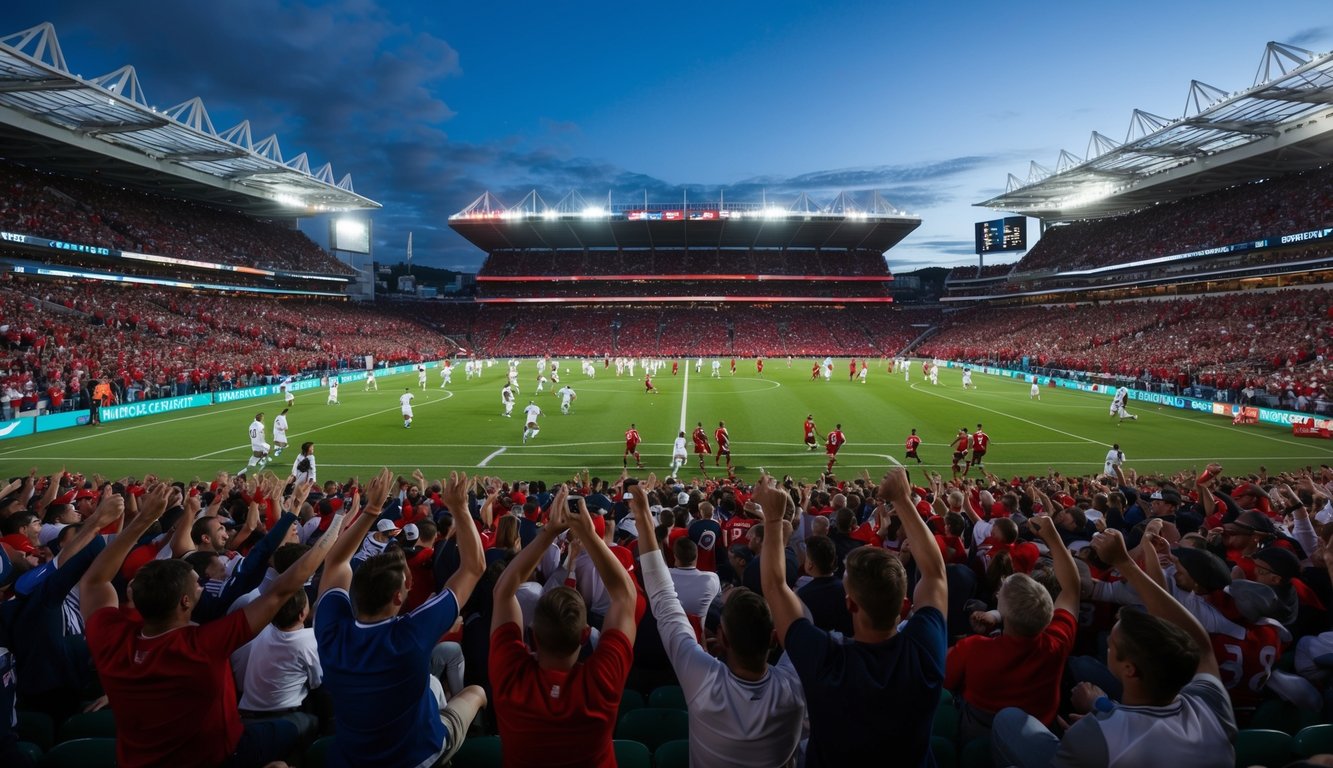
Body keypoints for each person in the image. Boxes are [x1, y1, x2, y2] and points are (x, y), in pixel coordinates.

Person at [82, 481, 336, 768]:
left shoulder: (110, 639)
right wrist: (336, 530)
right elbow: (281, 590)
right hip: (221, 756)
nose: (202, 586)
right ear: (185, 603)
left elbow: (94, 581)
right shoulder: (203, 645)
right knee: (302, 726)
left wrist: (143, 519)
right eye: (196, 585)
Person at [991, 528, 1235, 768]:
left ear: (1128, 669)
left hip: (1093, 745)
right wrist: (1103, 707)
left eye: (1111, 645)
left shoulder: (1099, 736)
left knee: (1007, 719)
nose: (1107, 642)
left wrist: (1096, 734)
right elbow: (1200, 644)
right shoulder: (1212, 705)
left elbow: (1198, 642)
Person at [757, 467, 947, 767]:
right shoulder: (925, 650)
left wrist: (771, 519)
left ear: (851, 604)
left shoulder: (826, 661)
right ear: (902, 604)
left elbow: (774, 587)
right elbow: (936, 573)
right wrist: (904, 500)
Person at [317, 469, 488, 767]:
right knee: (476, 693)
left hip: (351, 757)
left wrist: (370, 511)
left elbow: (334, 561)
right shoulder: (410, 634)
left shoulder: (331, 631)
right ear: (398, 597)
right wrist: (461, 508)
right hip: (419, 754)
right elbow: (474, 568)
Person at [631, 482, 805, 765]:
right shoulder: (794, 684)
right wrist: (773, 522)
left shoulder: (703, 678)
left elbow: (662, 597)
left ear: (721, 639)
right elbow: (786, 600)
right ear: (774, 638)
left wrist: (644, 521)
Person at [490, 485, 638, 768]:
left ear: (532, 634)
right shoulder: (600, 683)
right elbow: (625, 595)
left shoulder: (512, 678)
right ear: (585, 637)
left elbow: (503, 591)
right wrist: (589, 536)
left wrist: (548, 533)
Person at [946, 515, 1079, 740]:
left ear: (1003, 613)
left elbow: (945, 680)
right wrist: (1053, 538)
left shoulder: (973, 647)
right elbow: (1071, 589)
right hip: (1038, 735)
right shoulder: (1057, 642)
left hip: (978, 734)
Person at [239, 412, 269, 477]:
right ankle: (262, 460)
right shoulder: (261, 426)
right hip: (260, 445)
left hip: (254, 446)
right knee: (267, 448)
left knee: (250, 465)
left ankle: (239, 474)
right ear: (261, 418)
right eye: (263, 417)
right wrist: (264, 449)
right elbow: (262, 436)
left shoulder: (251, 425)